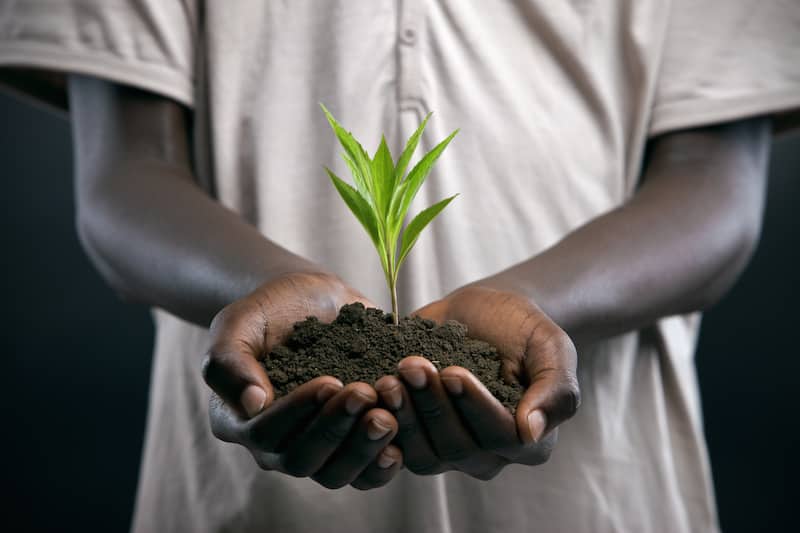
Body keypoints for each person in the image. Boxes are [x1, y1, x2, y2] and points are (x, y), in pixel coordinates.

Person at [1, 1, 798, 531]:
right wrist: (262, 297)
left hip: (599, 496)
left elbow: (715, 187)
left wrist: (532, 304)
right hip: (250, 502)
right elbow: (124, 176)